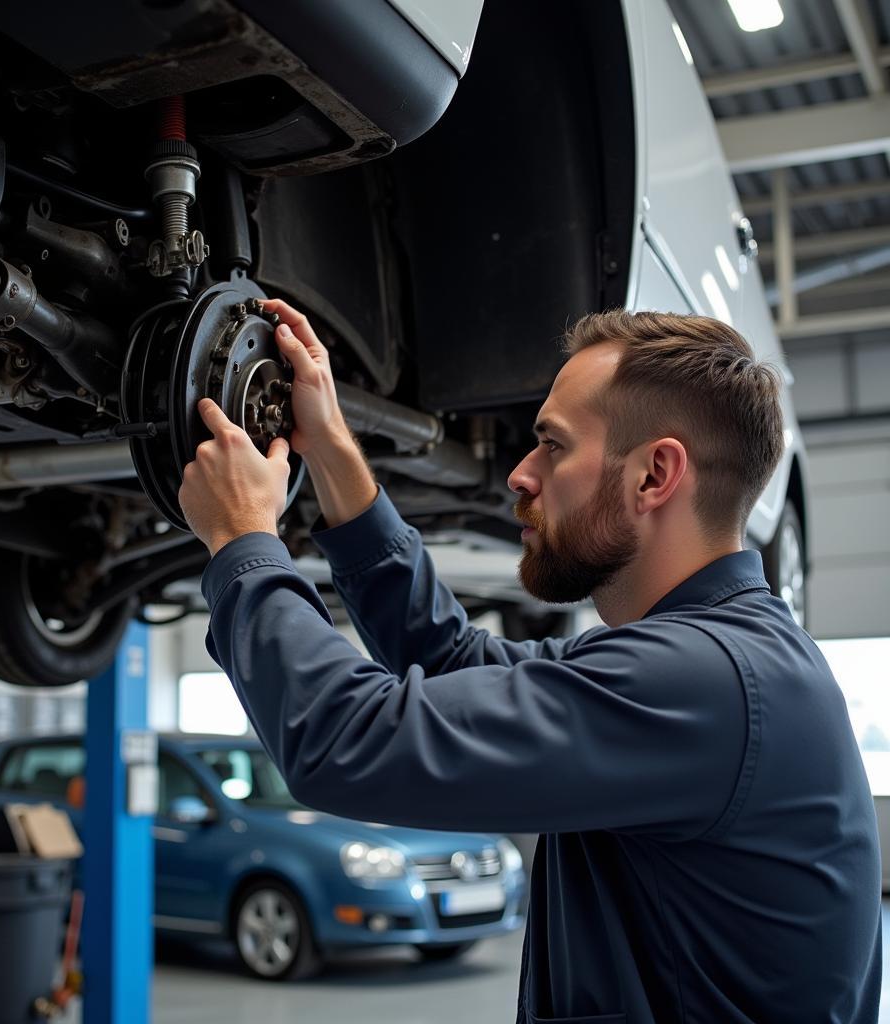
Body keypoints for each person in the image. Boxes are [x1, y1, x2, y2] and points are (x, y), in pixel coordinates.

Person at [177, 300, 881, 1022]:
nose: (520, 473)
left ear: (654, 476)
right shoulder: (723, 657)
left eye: (552, 444)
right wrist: (330, 449)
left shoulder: (704, 681)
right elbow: (459, 662)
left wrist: (243, 544)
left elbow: (345, 739)